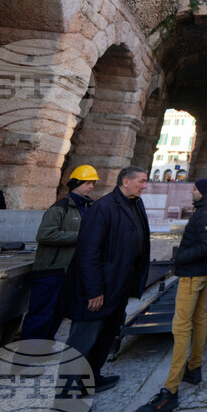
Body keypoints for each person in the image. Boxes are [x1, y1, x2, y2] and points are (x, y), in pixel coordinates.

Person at [134, 178, 207, 412]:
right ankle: (194, 368)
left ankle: (170, 390)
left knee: (181, 327)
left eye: (194, 188)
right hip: (202, 272)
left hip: (192, 275)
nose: (191, 191)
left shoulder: (206, 213)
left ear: (203, 192)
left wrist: (180, 258)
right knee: (200, 318)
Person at [60, 166, 150, 393]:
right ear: (125, 181)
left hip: (118, 288)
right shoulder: (103, 207)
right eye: (141, 181)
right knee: (82, 342)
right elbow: (88, 254)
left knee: (105, 338)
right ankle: (66, 394)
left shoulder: (136, 204)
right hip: (98, 291)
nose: (145, 186)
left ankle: (92, 378)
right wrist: (94, 291)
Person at [19, 165, 100, 341]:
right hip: (51, 271)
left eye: (93, 183)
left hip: (68, 271)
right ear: (76, 184)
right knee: (41, 315)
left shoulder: (87, 207)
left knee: (57, 314)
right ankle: (29, 353)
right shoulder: (60, 207)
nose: (91, 186)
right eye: (88, 183)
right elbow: (44, 235)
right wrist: (80, 237)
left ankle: (44, 349)